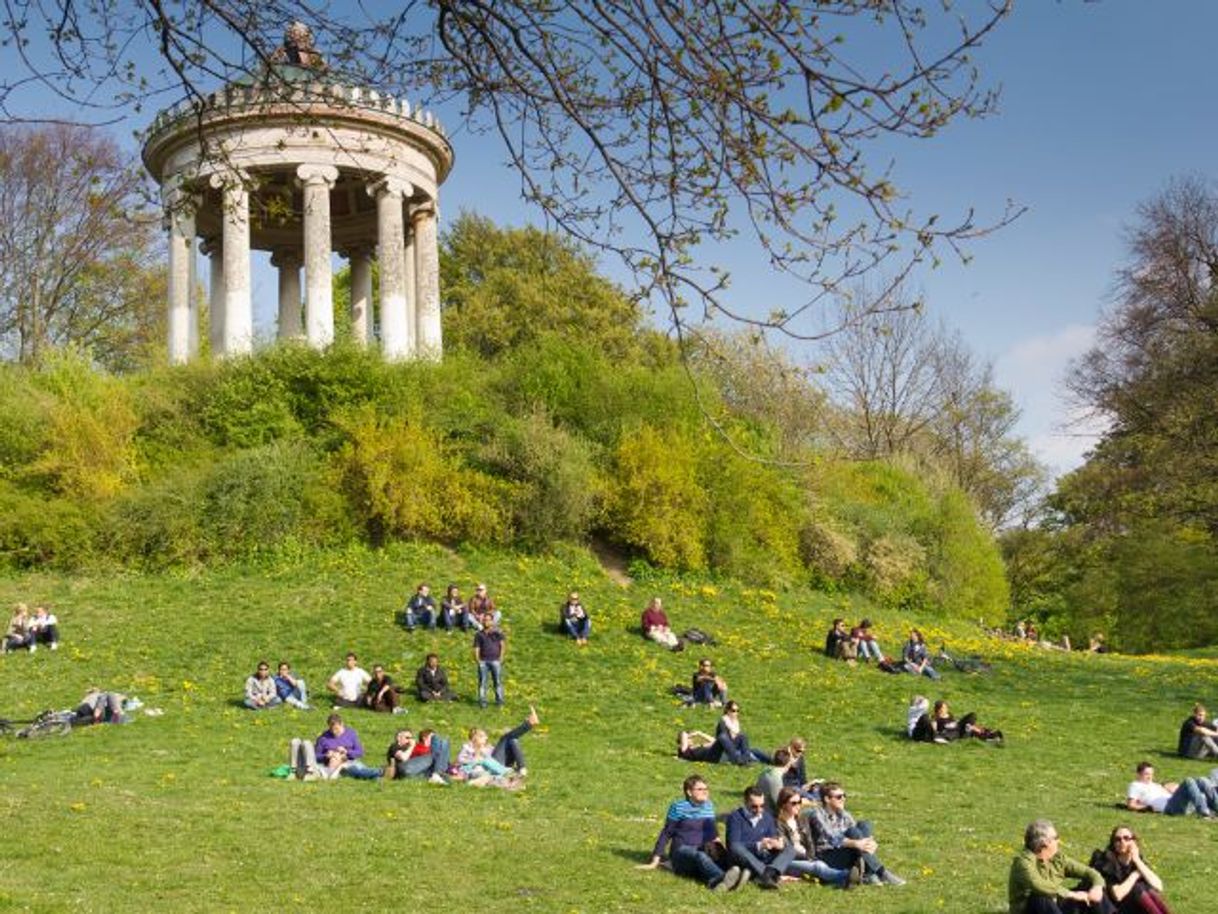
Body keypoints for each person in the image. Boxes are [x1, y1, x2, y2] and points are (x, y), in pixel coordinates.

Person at [639, 775, 749, 892]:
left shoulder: (708, 806)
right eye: (700, 789)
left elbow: (713, 833)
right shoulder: (678, 807)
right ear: (689, 792)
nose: (705, 792)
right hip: (681, 851)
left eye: (706, 789)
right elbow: (667, 833)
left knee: (717, 855)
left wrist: (721, 852)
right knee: (700, 856)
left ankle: (731, 879)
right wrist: (655, 861)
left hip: (702, 849)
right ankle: (721, 879)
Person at [807, 781, 904, 886]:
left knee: (864, 824)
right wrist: (856, 844)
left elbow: (857, 834)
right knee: (853, 832)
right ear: (827, 799)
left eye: (844, 796)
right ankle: (881, 872)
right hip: (828, 856)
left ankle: (869, 874)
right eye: (839, 797)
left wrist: (870, 842)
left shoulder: (844, 814)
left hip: (846, 851)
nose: (843, 799)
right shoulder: (817, 814)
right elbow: (832, 838)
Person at [1008, 819, 1105, 914]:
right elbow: (1039, 886)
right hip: (1030, 909)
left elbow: (1089, 872)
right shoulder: (1023, 863)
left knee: (1089, 887)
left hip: (1053, 907)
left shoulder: (1058, 859)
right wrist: (1071, 894)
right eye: (1056, 837)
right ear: (1045, 843)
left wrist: (1097, 887)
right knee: (1041, 897)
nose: (1059, 841)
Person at [773, 786, 857, 888]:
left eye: (799, 802)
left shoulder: (801, 820)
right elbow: (787, 848)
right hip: (788, 861)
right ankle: (845, 875)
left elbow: (810, 841)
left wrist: (811, 855)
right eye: (793, 803)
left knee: (820, 865)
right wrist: (807, 856)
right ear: (783, 804)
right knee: (818, 866)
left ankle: (842, 881)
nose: (798, 806)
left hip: (808, 857)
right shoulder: (777, 824)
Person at [1088, 826, 1172, 914]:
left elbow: (1158, 886)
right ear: (1113, 843)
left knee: (1145, 887)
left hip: (1134, 907)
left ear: (1134, 842)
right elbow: (1118, 895)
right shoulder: (1107, 862)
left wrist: (1137, 860)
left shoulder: (1137, 861)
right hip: (1114, 908)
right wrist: (1135, 875)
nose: (1122, 842)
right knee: (1137, 888)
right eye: (1117, 839)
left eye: (1126, 838)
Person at [725, 786, 792, 890]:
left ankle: (765, 874)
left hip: (763, 856)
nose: (759, 810)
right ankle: (765, 875)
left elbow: (772, 836)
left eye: (762, 806)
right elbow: (733, 845)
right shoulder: (735, 817)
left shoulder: (767, 817)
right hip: (744, 857)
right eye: (754, 806)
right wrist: (759, 845)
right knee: (736, 847)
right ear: (745, 802)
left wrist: (776, 843)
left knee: (789, 848)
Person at [456, 706, 540, 779]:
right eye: (482, 736)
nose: (486, 738)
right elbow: (460, 760)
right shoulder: (468, 748)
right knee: (507, 738)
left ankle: (522, 769)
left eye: (485, 736)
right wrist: (476, 757)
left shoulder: (488, 747)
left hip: (500, 764)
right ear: (474, 738)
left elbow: (498, 754)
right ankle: (528, 724)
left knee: (512, 740)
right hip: (489, 767)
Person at [677, 701, 769, 766]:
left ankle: (750, 760)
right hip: (710, 758)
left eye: (737, 711)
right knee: (722, 736)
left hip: (715, 752)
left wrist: (700, 733)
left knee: (743, 737)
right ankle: (738, 761)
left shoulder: (700, 745)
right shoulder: (686, 752)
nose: (690, 740)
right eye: (688, 739)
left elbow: (714, 741)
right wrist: (688, 735)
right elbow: (683, 734)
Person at [302, 713, 381, 780]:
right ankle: (380, 773)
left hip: (349, 761)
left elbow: (360, 752)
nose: (334, 732)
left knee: (357, 770)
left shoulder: (351, 734)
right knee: (354, 772)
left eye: (336, 729)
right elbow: (315, 756)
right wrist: (326, 756)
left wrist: (347, 752)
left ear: (342, 724)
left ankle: (379, 773)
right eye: (331, 729)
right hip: (331, 763)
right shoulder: (323, 738)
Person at [1126, 761, 1216, 817]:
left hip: (1176, 802)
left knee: (1201, 780)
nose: (1150, 777)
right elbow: (1131, 805)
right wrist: (1145, 808)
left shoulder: (1155, 785)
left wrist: (1172, 789)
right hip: (1169, 807)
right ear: (1138, 774)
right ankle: (1204, 812)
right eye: (1146, 774)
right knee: (1188, 781)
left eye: (1151, 774)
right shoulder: (1135, 785)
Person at [385, 728, 452, 784]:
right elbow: (403, 758)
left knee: (441, 748)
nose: (410, 740)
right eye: (407, 738)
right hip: (404, 768)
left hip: (418, 772)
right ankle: (437, 774)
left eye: (411, 738)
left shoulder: (417, 747)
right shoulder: (396, 746)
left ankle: (437, 775)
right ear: (399, 738)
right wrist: (412, 746)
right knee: (443, 743)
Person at [473, 612, 506, 708]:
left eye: (488, 620)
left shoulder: (498, 633)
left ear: (492, 621)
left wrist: (501, 658)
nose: (486, 622)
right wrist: (478, 660)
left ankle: (500, 701)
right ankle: (483, 702)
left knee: (498, 682)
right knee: (482, 682)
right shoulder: (479, 634)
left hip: (495, 660)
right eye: (484, 620)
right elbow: (476, 648)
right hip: (483, 661)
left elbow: (502, 645)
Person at [754, 748, 793, 812]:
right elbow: (779, 805)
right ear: (788, 764)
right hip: (769, 812)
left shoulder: (766, 771)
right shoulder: (776, 778)